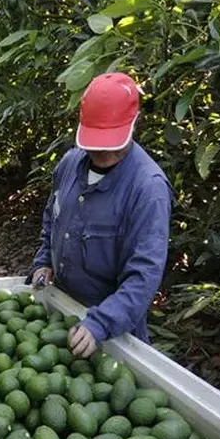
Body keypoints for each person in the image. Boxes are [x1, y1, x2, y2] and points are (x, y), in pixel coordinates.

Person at [28, 72, 172, 358]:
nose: (103, 151)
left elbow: (144, 275)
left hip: (114, 331)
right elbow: (52, 219)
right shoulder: (70, 165)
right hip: (62, 313)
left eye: (111, 141)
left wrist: (101, 323)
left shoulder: (147, 189)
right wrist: (44, 261)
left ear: (134, 124)